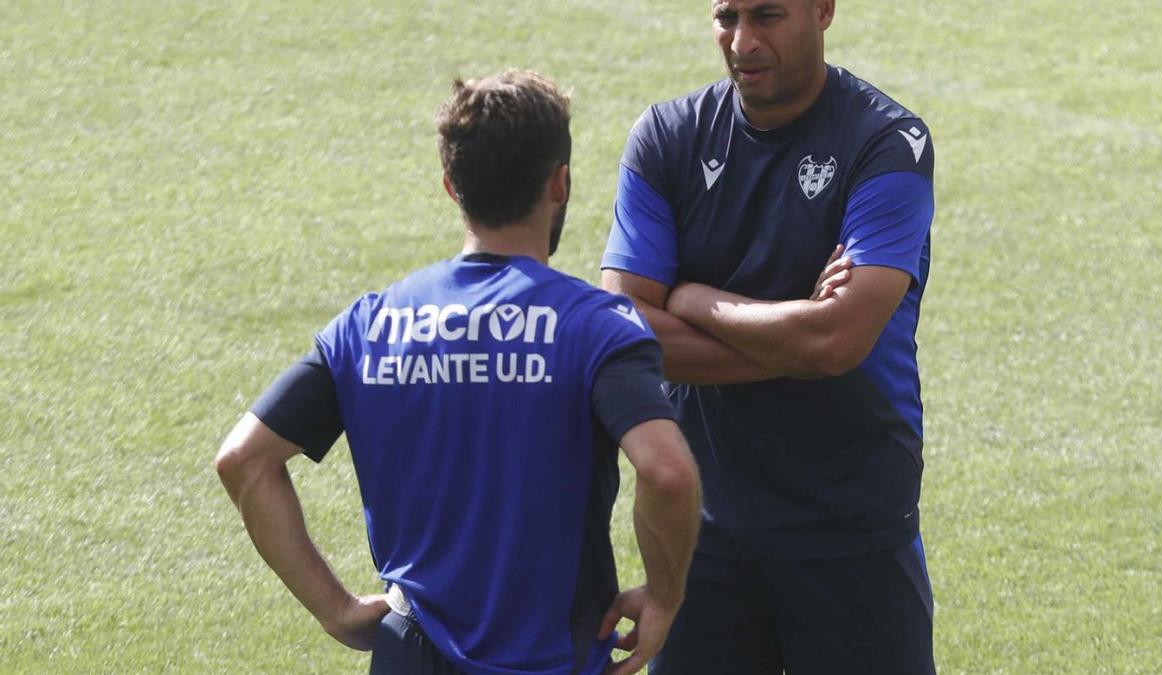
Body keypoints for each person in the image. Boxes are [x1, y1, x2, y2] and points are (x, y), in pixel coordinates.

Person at [215, 69, 701, 675]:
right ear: (560, 182)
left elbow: (244, 461)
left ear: (452, 185)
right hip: (552, 660)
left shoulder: (368, 325)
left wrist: (335, 610)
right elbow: (668, 472)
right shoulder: (595, 325)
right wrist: (664, 596)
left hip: (410, 654)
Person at [600, 0, 937, 672]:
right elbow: (624, 331)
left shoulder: (887, 143)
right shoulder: (668, 136)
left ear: (823, 10)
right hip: (705, 534)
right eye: (726, 17)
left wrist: (692, 297)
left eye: (768, 15)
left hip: (853, 529)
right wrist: (794, 339)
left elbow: (837, 340)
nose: (743, 41)